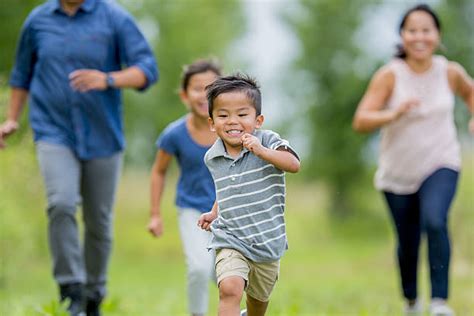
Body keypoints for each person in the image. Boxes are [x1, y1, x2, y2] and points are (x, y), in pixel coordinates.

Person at [0, 0, 158, 315]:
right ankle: (71, 290)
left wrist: (108, 79)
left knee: (98, 221)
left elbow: (147, 71)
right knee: (60, 202)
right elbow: (22, 75)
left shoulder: (115, 19)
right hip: (53, 132)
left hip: (103, 136)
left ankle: (94, 294)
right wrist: (12, 118)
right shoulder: (38, 21)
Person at [352, 4, 473, 316]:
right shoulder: (390, 75)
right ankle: (411, 302)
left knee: (435, 221)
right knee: (408, 243)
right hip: (398, 173)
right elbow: (361, 120)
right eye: (412, 30)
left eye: (426, 30)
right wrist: (393, 113)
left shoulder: (450, 71)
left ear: (437, 35)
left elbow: (471, 94)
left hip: (441, 161)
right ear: (402, 36)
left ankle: (439, 303)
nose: (419, 36)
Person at [197, 74, 300, 316]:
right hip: (231, 238)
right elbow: (227, 188)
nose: (233, 121)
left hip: (267, 242)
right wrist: (214, 212)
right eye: (223, 115)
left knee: (257, 307)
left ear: (258, 120)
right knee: (230, 289)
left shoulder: (269, 140)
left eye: (242, 115)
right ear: (212, 123)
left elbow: (293, 164)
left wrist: (261, 150)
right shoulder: (212, 156)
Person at [147, 59, 221, 316]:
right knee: (199, 268)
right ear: (184, 95)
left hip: (228, 212)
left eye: (211, 87)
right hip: (192, 211)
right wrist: (155, 214)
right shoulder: (174, 134)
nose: (204, 94)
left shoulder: (230, 130)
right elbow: (158, 171)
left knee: (227, 274)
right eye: (197, 88)